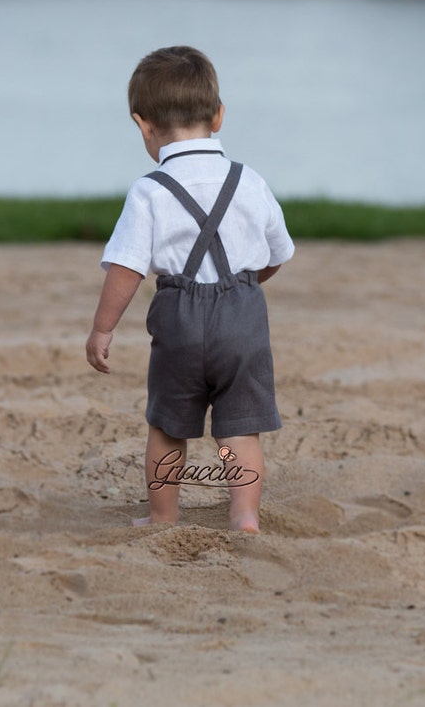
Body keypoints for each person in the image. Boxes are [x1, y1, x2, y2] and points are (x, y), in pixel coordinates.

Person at [86, 45, 294, 533]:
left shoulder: (150, 190)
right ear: (218, 116)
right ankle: (244, 515)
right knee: (241, 428)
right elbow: (278, 253)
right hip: (242, 314)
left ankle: (164, 516)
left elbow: (126, 268)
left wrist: (102, 329)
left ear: (143, 125)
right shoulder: (250, 181)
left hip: (179, 317)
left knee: (167, 427)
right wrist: (242, 284)